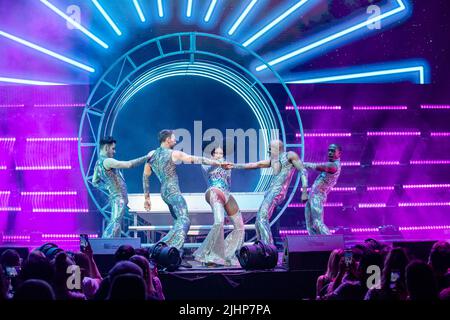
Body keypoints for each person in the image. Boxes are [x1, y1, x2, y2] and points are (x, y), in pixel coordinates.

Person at [142, 130, 231, 266]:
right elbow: (195, 159)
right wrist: (217, 163)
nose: (176, 140)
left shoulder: (151, 154)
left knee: (179, 221)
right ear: (167, 140)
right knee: (185, 221)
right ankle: (166, 250)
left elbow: (146, 176)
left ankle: (174, 253)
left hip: (164, 192)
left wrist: (147, 197)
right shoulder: (174, 153)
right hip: (173, 192)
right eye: (173, 138)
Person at [232, 139, 308, 245]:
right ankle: (262, 246)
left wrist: (304, 191)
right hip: (270, 192)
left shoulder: (289, 155)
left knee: (262, 217)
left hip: (278, 192)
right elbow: (255, 165)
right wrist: (233, 166)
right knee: (258, 221)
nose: (268, 151)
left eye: (270, 148)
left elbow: (303, 170)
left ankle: (268, 248)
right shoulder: (274, 160)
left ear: (278, 148)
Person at [194, 146, 245, 267]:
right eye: (216, 153)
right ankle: (211, 255)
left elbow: (229, 183)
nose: (219, 155)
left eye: (221, 153)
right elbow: (210, 168)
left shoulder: (227, 166)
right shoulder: (206, 163)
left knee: (240, 226)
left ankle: (226, 253)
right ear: (212, 154)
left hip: (226, 194)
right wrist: (219, 163)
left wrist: (227, 209)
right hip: (214, 191)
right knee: (218, 222)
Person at [93, 136, 151, 238]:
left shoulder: (98, 163)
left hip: (116, 197)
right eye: (113, 148)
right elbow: (128, 165)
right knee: (115, 223)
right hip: (118, 198)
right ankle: (105, 247)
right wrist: (146, 157)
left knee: (116, 223)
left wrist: (109, 186)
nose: (114, 151)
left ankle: (111, 248)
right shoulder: (107, 161)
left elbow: (95, 182)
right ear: (106, 147)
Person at [303, 144, 342, 235]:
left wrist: (301, 164)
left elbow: (317, 166)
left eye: (333, 151)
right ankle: (315, 246)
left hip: (318, 196)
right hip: (313, 196)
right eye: (329, 150)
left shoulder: (333, 165)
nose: (330, 153)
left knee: (317, 223)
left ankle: (332, 244)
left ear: (339, 153)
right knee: (310, 224)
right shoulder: (332, 164)